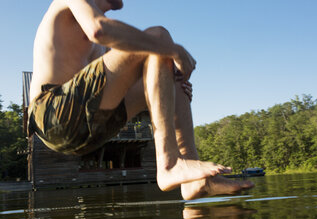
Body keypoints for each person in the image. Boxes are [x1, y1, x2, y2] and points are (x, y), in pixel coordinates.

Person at [28, 0, 254, 200]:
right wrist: (173, 49)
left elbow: (138, 82)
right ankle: (169, 164)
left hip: (85, 127)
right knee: (157, 37)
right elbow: (98, 29)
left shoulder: (104, 49)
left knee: (169, 69)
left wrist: (173, 90)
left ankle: (196, 183)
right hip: (51, 113)